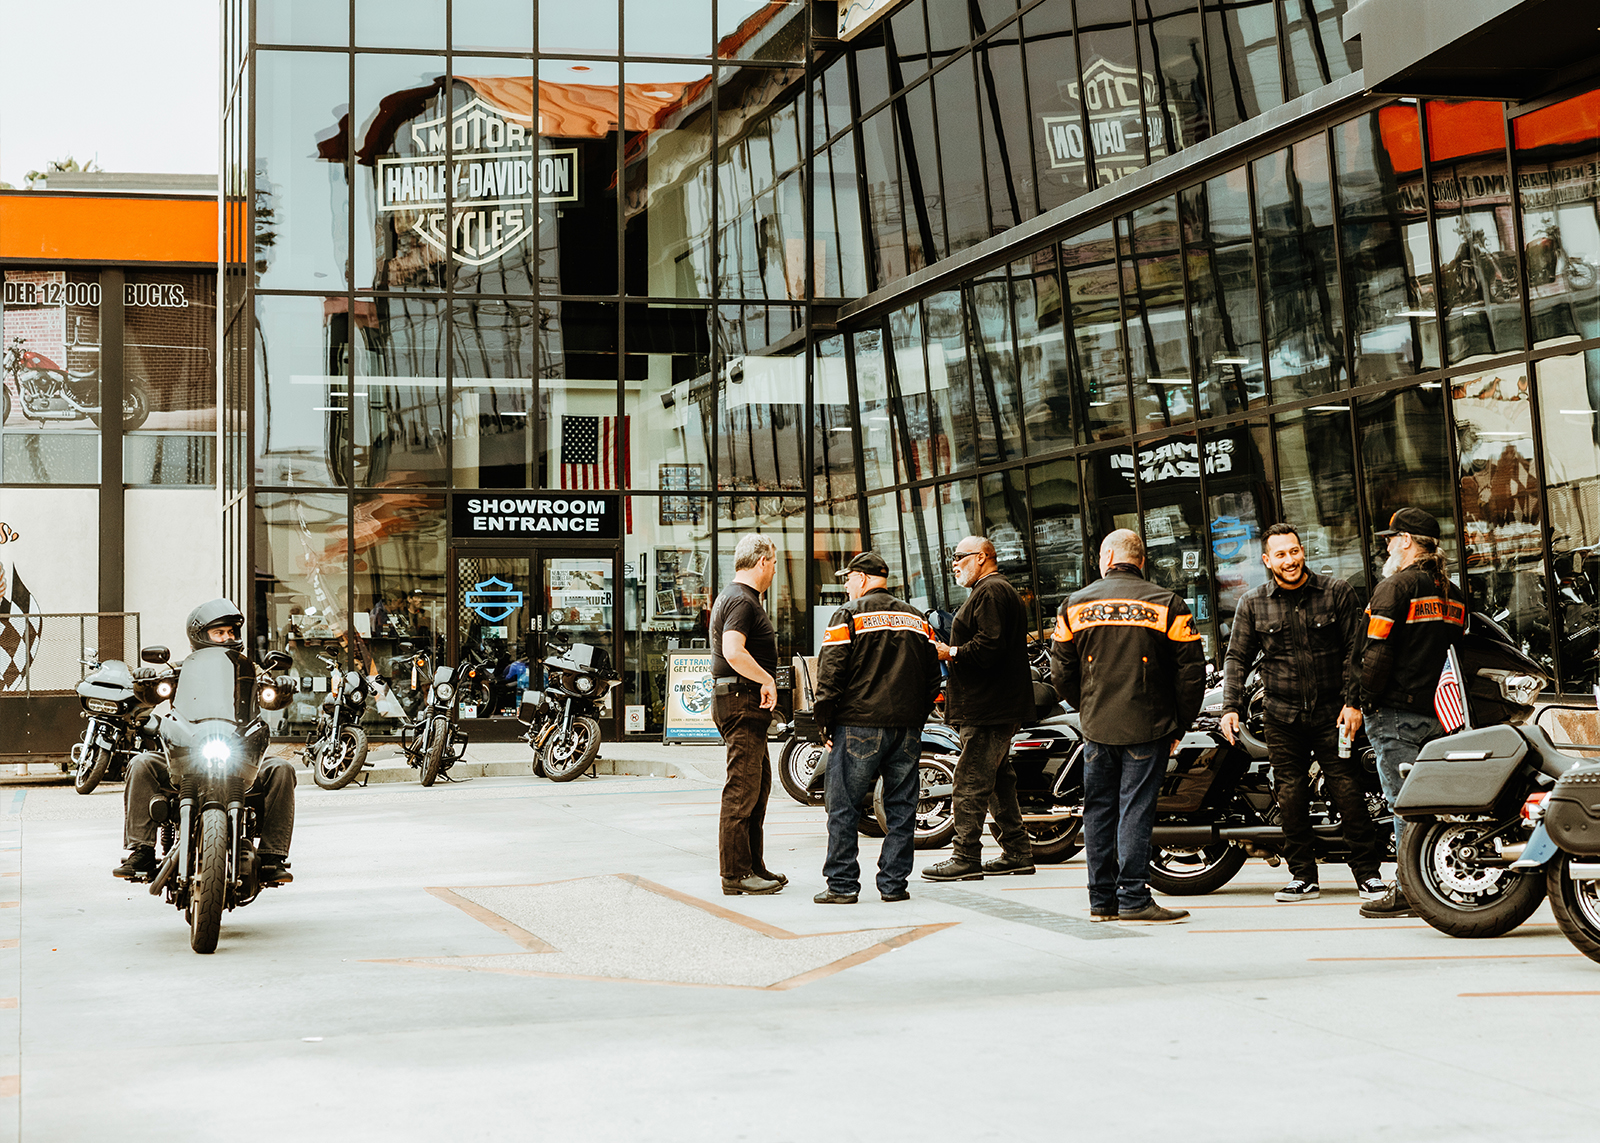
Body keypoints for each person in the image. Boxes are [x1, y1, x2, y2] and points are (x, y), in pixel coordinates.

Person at [1219, 524, 1385, 904]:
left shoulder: (1335, 592)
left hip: (1335, 715)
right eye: (1280, 554)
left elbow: (1354, 653)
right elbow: (1237, 657)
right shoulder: (1253, 603)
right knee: (1290, 794)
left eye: (1294, 551)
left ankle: (1368, 875)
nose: (1290, 560)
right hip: (1281, 715)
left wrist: (1353, 703)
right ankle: (1303, 876)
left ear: (1302, 551)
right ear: (1267, 560)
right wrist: (1231, 706)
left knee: (1347, 789)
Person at [1051, 529, 1205, 924]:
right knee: (1135, 810)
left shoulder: (1074, 604)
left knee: (1097, 812)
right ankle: (1134, 897)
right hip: (1149, 725)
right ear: (1141, 560)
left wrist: (1087, 708)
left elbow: (1061, 672)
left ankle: (1101, 901)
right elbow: (1191, 673)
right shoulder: (1168, 603)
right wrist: (1179, 724)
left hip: (1097, 726)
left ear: (1106, 557)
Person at [113, 599, 298, 883]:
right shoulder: (178, 668)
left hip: (236, 752)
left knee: (281, 770)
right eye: (219, 632)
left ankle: (273, 857)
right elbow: (149, 695)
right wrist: (144, 680)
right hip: (187, 754)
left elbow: (271, 697)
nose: (228, 638)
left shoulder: (248, 669)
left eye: (231, 632)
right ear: (200, 635)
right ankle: (141, 850)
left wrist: (282, 689)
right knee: (141, 764)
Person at [810, 552, 941, 904]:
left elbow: (830, 673)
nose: (847, 585)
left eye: (848, 578)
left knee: (844, 807)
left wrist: (824, 722)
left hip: (857, 725)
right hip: (907, 729)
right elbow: (933, 677)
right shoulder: (916, 617)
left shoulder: (848, 615)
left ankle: (841, 885)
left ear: (864, 578)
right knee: (901, 808)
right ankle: (894, 885)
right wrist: (918, 714)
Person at [1354, 508, 1465, 919]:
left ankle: (1407, 890)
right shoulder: (1452, 592)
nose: (1385, 545)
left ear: (1406, 541)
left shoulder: (1395, 587)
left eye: (1390, 538)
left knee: (1404, 804)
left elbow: (1375, 653)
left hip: (1395, 713)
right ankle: (1433, 882)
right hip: (1437, 713)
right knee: (1435, 803)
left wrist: (1365, 699)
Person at [921, 537, 1035, 882]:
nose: (954, 563)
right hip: (993, 706)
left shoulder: (990, 592)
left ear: (983, 557)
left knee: (970, 781)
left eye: (959, 557)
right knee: (999, 780)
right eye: (952, 558)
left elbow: (989, 646)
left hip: (988, 708)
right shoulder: (995, 591)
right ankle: (1017, 851)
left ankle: (965, 856)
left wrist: (949, 652)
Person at [710, 534, 785, 896]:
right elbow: (733, 651)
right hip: (741, 699)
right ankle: (736, 874)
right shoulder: (742, 600)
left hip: (741, 700)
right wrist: (767, 679)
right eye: (774, 563)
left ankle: (754, 865)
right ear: (762, 562)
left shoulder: (734, 596)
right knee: (742, 788)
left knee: (757, 785)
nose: (775, 570)